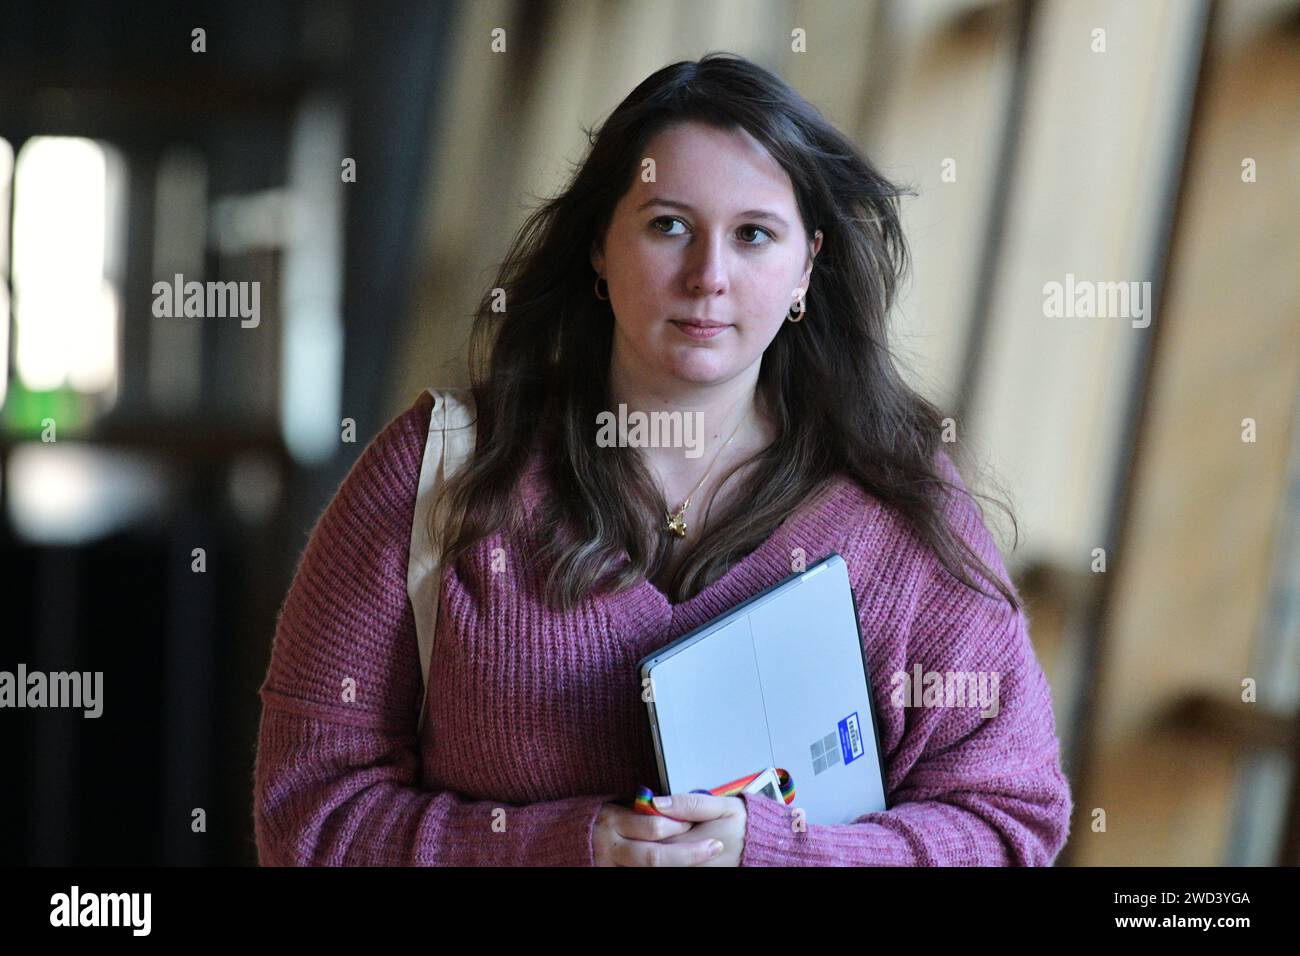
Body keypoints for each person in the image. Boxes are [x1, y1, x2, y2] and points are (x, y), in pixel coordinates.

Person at [253, 51, 1072, 866]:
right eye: (668, 225)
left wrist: (782, 854)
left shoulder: (895, 502)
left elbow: (1009, 824)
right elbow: (311, 815)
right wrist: (570, 849)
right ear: (600, 249)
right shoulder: (440, 474)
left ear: (805, 268)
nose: (707, 277)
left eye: (754, 235)